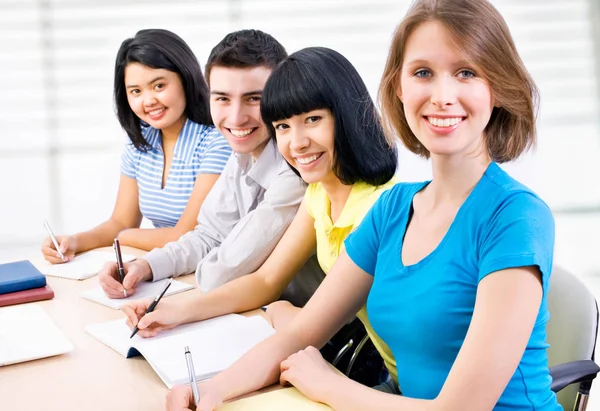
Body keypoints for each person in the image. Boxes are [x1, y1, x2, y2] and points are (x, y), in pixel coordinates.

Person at [165, 0, 562, 410]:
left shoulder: (516, 216)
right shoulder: (393, 209)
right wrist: (207, 392)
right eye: (423, 72)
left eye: (466, 72)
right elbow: (300, 334)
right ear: (399, 88)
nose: (442, 96)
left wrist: (327, 383)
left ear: (496, 86)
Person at [122, 47, 399, 388]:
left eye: (313, 119)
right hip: (392, 375)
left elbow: (308, 325)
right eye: (283, 126)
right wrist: (174, 312)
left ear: (345, 116)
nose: (296, 143)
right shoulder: (318, 194)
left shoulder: (380, 206)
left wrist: (279, 311)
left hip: (403, 383)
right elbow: (266, 281)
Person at [98, 29, 325, 302]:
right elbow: (207, 236)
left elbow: (220, 275)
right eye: (222, 98)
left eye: (254, 98)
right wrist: (145, 266)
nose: (236, 118)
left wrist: (203, 260)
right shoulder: (240, 158)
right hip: (260, 314)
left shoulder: (297, 170)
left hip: (318, 333)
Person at [40, 29, 231, 261]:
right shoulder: (140, 143)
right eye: (136, 91)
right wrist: (74, 241)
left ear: (185, 78)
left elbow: (186, 235)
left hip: (211, 268)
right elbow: (120, 222)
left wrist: (125, 236)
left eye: (159, 86)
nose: (148, 101)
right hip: (165, 265)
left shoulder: (216, 142)